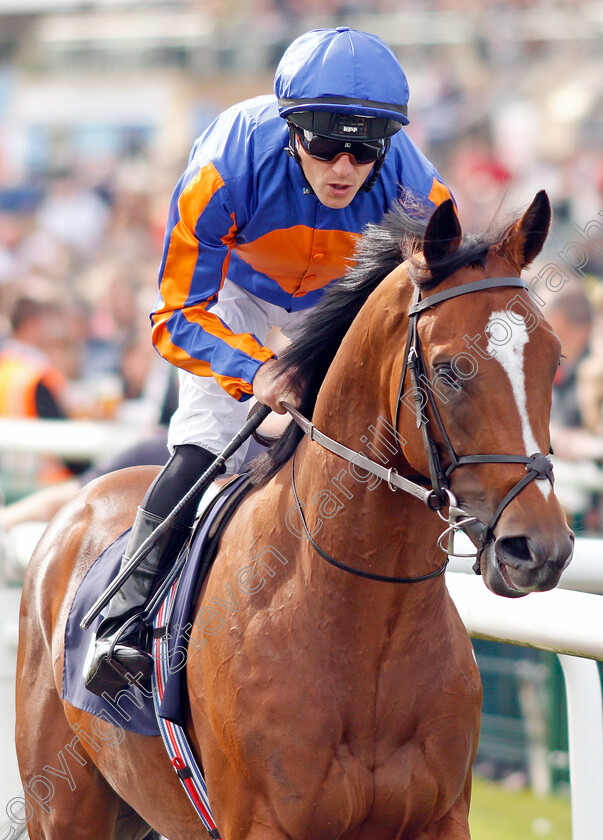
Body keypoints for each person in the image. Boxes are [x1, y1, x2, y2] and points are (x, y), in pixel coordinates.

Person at [85, 26, 454, 694]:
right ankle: (123, 623)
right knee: (206, 445)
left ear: (388, 144)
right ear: (291, 131)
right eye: (324, 145)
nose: (343, 167)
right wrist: (257, 367)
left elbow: (446, 299)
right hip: (231, 292)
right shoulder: (222, 170)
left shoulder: (417, 193)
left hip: (338, 296)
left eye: (363, 149)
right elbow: (174, 316)